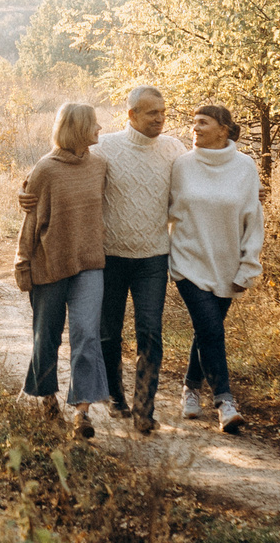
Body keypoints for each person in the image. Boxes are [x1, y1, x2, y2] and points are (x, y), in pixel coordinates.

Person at [16, 85, 183, 433]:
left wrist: (248, 188)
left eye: (163, 112)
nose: (100, 129)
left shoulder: (120, 159)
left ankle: (100, 411)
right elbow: (36, 200)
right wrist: (23, 258)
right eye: (152, 112)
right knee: (57, 336)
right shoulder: (74, 159)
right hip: (75, 260)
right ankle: (64, 396)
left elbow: (195, 174)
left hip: (114, 260)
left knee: (99, 335)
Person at [14, 100, 113, 437]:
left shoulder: (99, 165)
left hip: (90, 262)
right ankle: (46, 396)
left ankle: (82, 412)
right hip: (49, 263)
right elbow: (30, 222)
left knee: (87, 334)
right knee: (47, 336)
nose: (99, 128)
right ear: (77, 128)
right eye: (94, 123)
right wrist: (22, 263)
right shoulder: (46, 169)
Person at [168, 103, 264, 430]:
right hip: (188, 261)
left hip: (227, 265)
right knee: (211, 329)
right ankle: (225, 401)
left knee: (206, 331)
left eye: (203, 122)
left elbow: (253, 220)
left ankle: (190, 388)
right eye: (193, 122)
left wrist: (249, 266)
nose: (194, 128)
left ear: (224, 129)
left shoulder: (245, 167)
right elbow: (159, 206)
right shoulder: (181, 165)